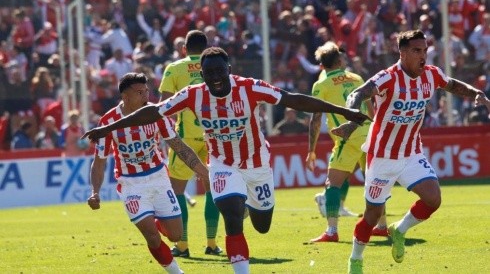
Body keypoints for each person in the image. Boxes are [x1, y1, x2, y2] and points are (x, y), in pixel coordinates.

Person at [82, 47, 370, 274]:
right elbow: (154, 112)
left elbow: (295, 100)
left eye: (220, 71)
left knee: (262, 224)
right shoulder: (193, 95)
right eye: (209, 73)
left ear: (229, 70)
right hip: (222, 164)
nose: (215, 77)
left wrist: (343, 111)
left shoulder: (250, 87)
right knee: (232, 217)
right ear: (202, 75)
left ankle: (249, 203)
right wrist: (107, 129)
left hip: (257, 163)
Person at [328, 30, 486, 274]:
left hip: (411, 153)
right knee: (372, 215)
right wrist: (351, 119)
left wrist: (476, 93)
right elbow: (358, 93)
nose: (423, 55)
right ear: (402, 53)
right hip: (381, 156)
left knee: (433, 199)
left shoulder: (431, 74)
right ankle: (355, 259)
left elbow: (453, 85)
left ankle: (399, 230)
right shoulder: (388, 77)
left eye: (424, 50)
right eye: (416, 51)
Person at [87, 73, 209, 274]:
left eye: (147, 91)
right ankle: (177, 272)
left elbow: (179, 146)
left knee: (176, 236)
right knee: (152, 237)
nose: (146, 96)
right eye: (139, 92)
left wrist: (204, 173)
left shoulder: (156, 114)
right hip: (131, 184)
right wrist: (95, 191)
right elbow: (99, 162)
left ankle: (154, 218)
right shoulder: (108, 121)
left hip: (159, 179)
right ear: (125, 97)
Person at [307, 41, 390, 244]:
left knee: (332, 184)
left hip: (348, 136)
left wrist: (311, 149)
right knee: (374, 181)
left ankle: (332, 231)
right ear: (339, 60)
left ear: (323, 65)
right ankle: (382, 226)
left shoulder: (321, 85)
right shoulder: (356, 78)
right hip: (369, 134)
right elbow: (371, 110)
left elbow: (315, 118)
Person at [158, 30, 222, 257]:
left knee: (178, 191)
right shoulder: (217, 66)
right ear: (207, 48)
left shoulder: (174, 69)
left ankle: (183, 245)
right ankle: (212, 244)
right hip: (214, 136)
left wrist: (162, 137)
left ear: (183, 48)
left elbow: (163, 106)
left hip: (184, 138)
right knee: (212, 189)